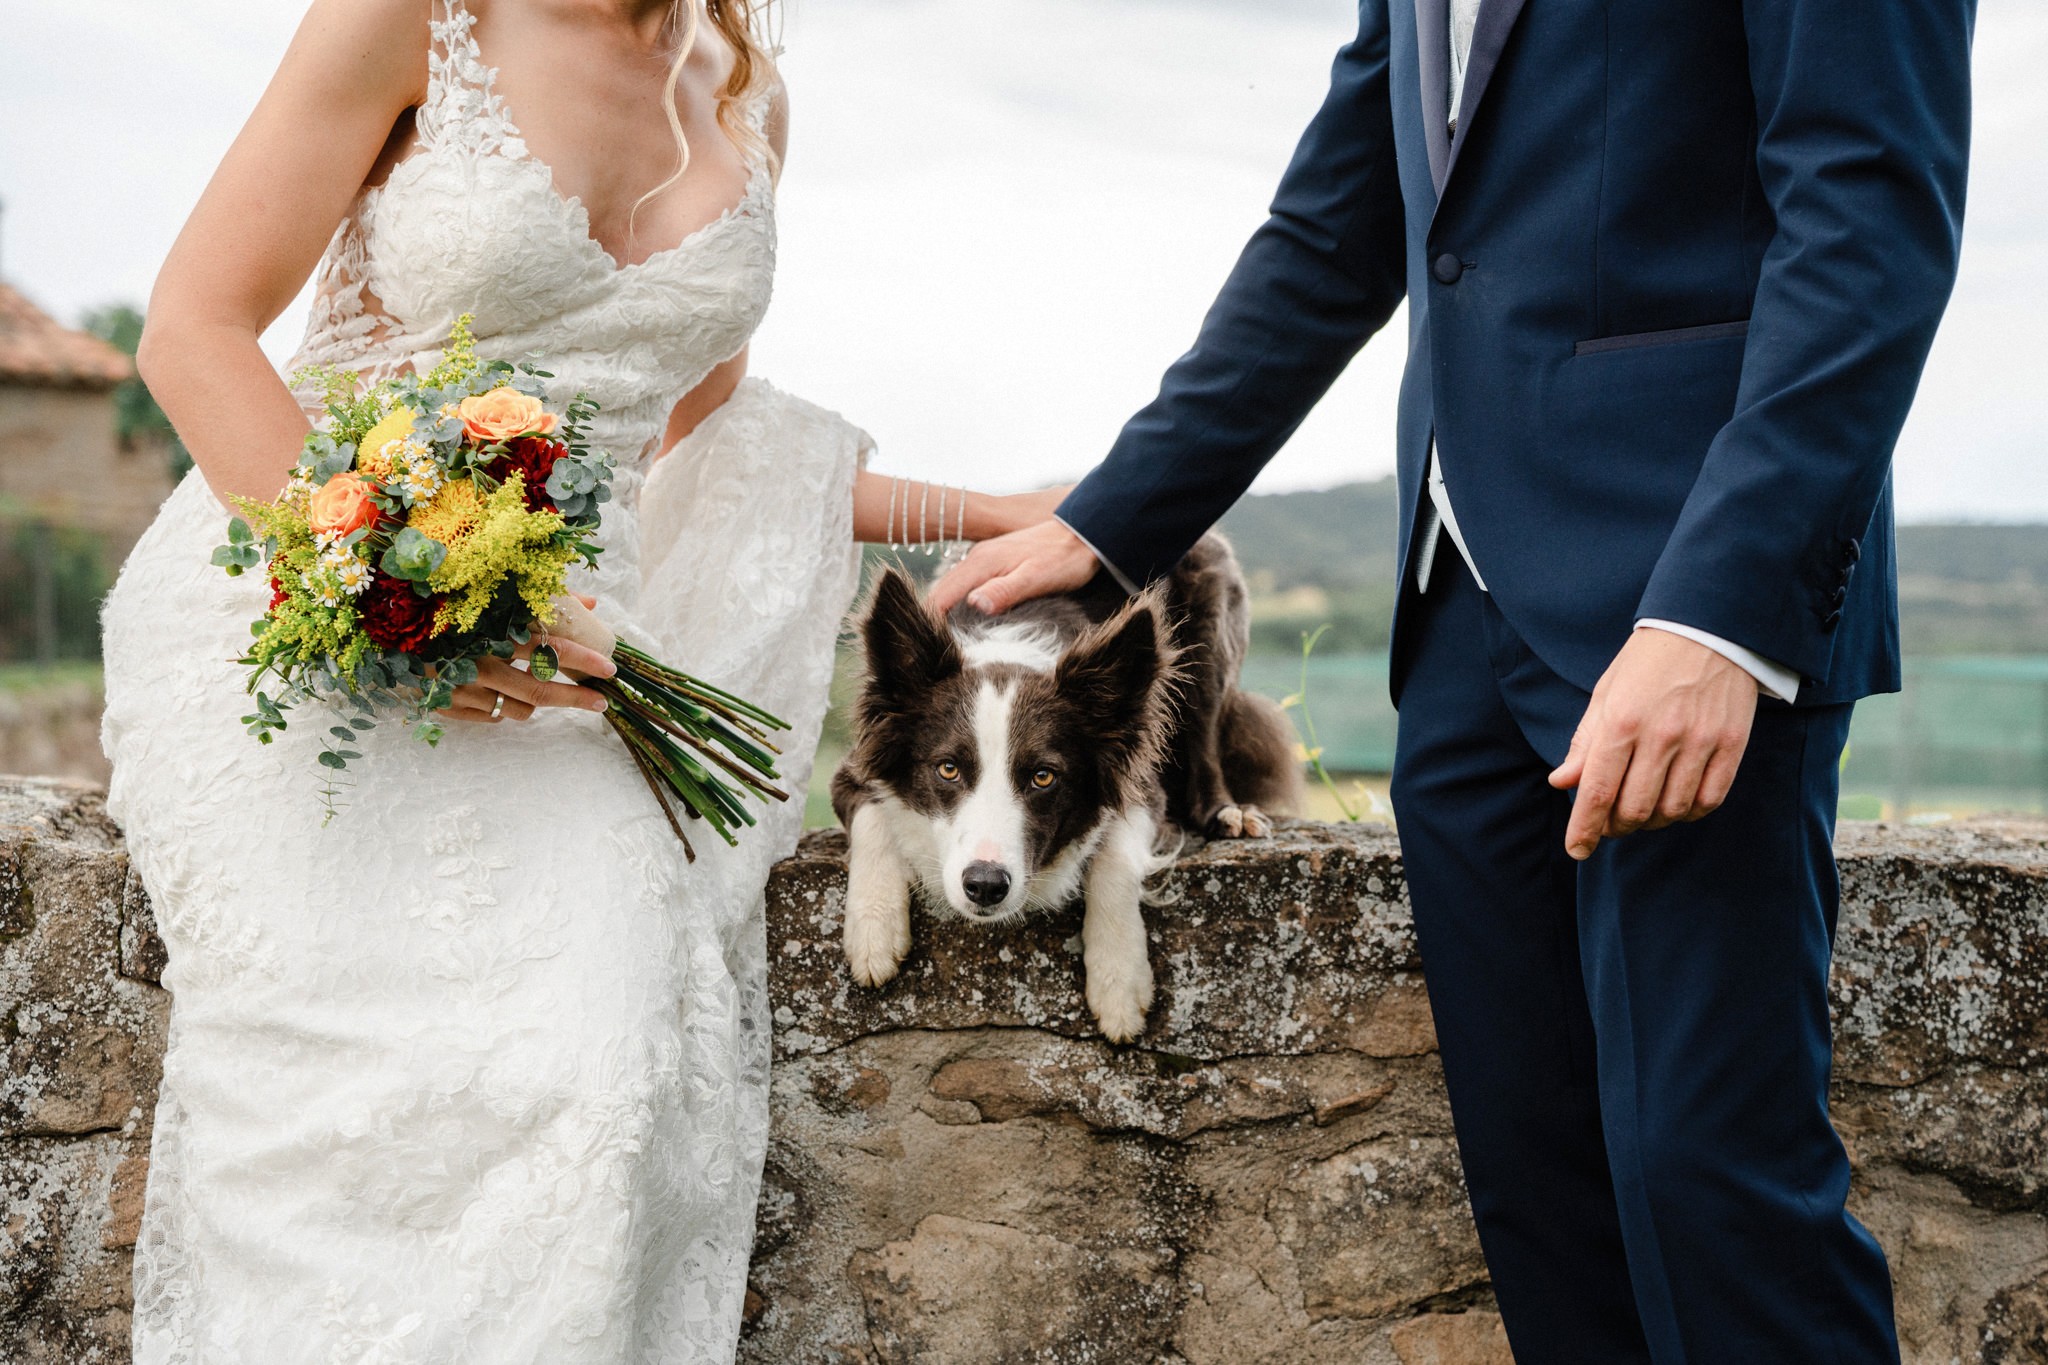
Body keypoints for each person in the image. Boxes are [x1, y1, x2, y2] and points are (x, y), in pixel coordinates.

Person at [934, 0, 1976, 1359]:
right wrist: (1114, 520)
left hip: (1686, 616)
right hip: (1462, 625)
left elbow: (1868, 214)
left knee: (1715, 1185)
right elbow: (1341, 217)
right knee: (1541, 1191)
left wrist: (1720, 618)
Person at [102, 1, 1053, 1358]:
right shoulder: (411, 20)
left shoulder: (750, 98)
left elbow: (723, 451)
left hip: (562, 671)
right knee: (339, 1068)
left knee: (605, 1046)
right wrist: (397, 605)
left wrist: (1011, 507)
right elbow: (192, 330)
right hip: (302, 606)